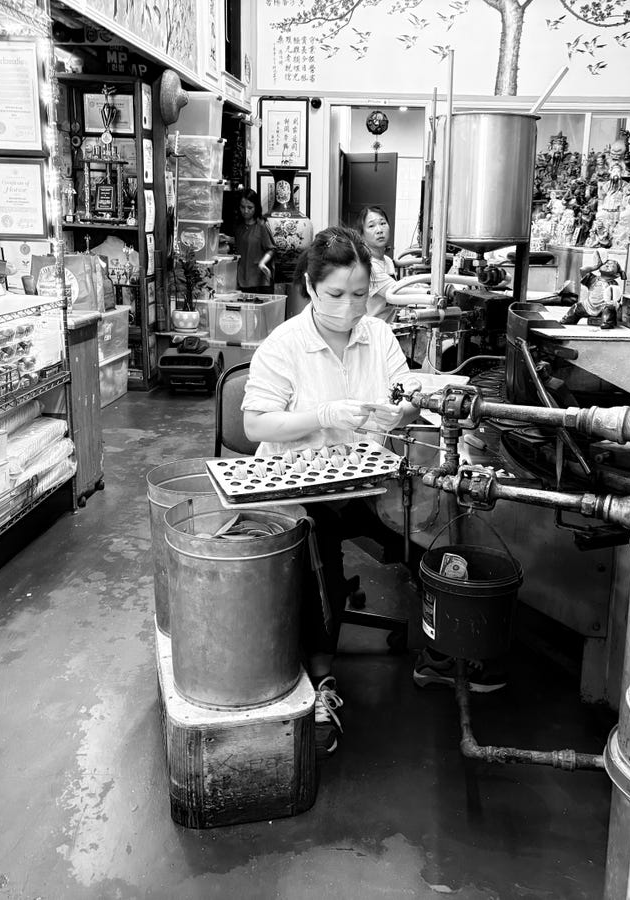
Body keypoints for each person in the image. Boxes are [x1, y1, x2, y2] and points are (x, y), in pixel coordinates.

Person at [242, 227, 422, 756]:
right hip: (298, 484)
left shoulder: (380, 337)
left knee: (428, 525)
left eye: (361, 294)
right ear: (309, 287)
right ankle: (320, 683)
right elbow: (255, 424)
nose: (350, 308)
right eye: (336, 295)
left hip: (365, 479)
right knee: (317, 544)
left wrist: (403, 409)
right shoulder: (286, 345)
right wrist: (321, 415)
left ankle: (444, 654)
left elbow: (404, 392)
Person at [356, 206, 398, 322]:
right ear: (362, 235)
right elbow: (397, 293)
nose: (379, 230)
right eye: (371, 226)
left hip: (384, 329)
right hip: (369, 332)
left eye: (383, 223)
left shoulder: (387, 260)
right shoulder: (368, 265)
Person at [232, 187, 275, 294]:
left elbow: (271, 249)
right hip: (242, 278)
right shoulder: (239, 226)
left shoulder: (261, 225)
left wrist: (262, 263)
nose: (245, 211)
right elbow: (243, 242)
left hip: (259, 280)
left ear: (256, 207)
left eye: (250, 207)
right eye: (242, 207)